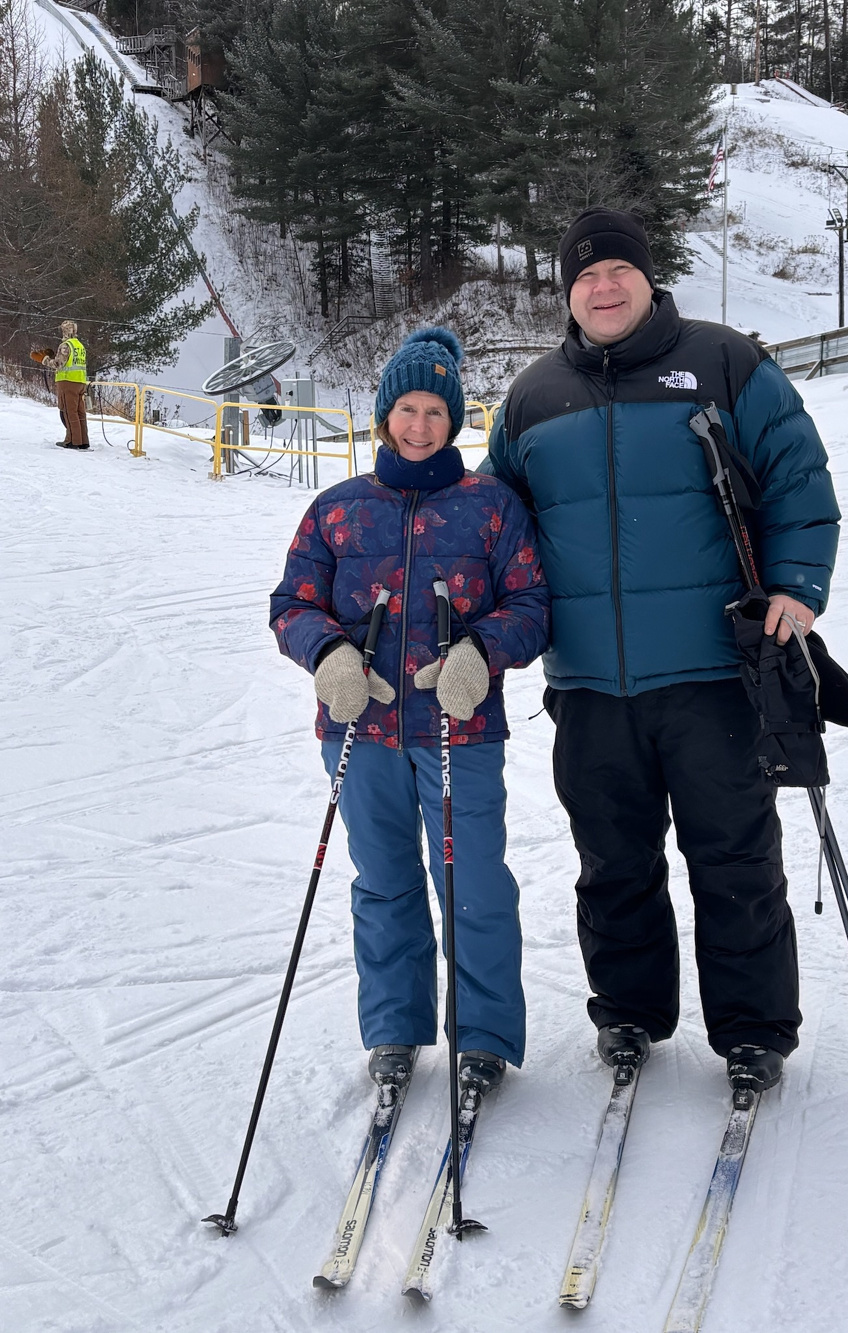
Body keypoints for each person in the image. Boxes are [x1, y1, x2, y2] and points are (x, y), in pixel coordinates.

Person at [484, 207, 840, 1094]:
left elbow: (799, 475)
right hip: (592, 685)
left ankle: (755, 1029)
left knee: (735, 857)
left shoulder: (726, 362)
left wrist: (796, 586)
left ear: (647, 279)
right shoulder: (531, 397)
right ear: (568, 292)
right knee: (613, 860)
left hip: (716, 672)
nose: (603, 289)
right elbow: (493, 531)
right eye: (584, 278)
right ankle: (630, 1014)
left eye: (618, 273)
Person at [270, 328, 549, 1094]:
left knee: (475, 883)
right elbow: (291, 604)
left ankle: (485, 1034)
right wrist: (328, 656)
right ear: (385, 414)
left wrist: (479, 654)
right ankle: (394, 1028)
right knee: (385, 879)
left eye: (434, 410)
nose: (419, 424)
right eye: (406, 408)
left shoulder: (490, 507)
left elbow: (531, 604)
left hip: (461, 730)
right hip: (360, 731)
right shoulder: (337, 510)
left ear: (453, 420)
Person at [44, 320, 90, 450]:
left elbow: (58, 364)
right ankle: (83, 441)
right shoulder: (80, 345)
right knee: (80, 412)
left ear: (64, 331)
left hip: (68, 382)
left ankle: (72, 441)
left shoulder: (65, 345)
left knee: (69, 412)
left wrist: (45, 360)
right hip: (80, 382)